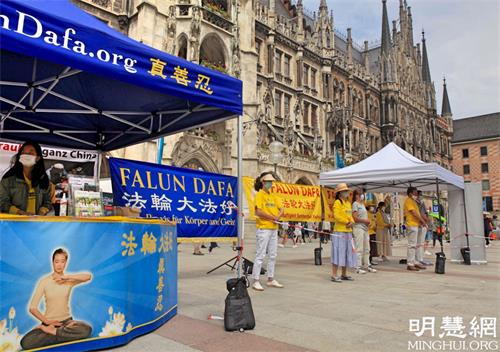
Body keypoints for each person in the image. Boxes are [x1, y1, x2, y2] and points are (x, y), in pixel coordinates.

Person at [20, 248, 92, 350]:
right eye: (56, 261)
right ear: (52, 262)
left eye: (62, 261)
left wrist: (66, 277)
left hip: (67, 323)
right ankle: (63, 336)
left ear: (66, 263)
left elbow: (88, 276)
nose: (59, 264)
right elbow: (32, 308)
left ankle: (54, 334)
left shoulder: (69, 280)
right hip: (49, 324)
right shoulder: (44, 281)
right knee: (26, 342)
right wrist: (47, 322)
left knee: (86, 329)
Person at [252, 172, 284, 291]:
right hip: (264, 228)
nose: (271, 184)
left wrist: (278, 217)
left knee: (273, 255)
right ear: (263, 183)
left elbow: (282, 209)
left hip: (273, 229)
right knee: (260, 254)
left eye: (272, 182)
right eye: (269, 182)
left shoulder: (274, 196)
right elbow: (258, 212)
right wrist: (272, 217)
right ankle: (256, 280)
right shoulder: (259, 195)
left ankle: (270, 278)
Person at [0, 141, 52, 215]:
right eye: (23, 153)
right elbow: (2, 203)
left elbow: (47, 202)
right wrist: (19, 212)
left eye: (30, 153)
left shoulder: (43, 179)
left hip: (36, 223)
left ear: (37, 158)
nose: (26, 155)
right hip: (14, 223)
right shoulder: (8, 180)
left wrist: (43, 210)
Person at [330, 183, 357, 282]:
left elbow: (351, 216)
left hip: (348, 231)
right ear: (340, 193)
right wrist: (347, 222)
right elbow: (336, 216)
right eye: (345, 191)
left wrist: (352, 222)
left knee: (347, 252)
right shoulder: (337, 202)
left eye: (347, 191)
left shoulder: (348, 203)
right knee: (337, 252)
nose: (347, 193)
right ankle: (334, 274)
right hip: (339, 231)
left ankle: (344, 274)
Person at [352, 189, 376, 274]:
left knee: (367, 248)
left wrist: (367, 222)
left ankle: (367, 265)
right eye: (360, 194)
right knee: (359, 248)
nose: (362, 195)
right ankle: (357, 267)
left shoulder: (362, 204)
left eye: (362, 194)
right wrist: (364, 221)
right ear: (356, 195)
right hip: (358, 228)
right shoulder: (355, 204)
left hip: (365, 229)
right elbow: (355, 218)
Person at [404, 187, 427, 271]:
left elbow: (418, 213)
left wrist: (421, 222)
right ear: (410, 193)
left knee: (417, 245)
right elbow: (414, 213)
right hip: (411, 225)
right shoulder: (408, 200)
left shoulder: (413, 201)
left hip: (416, 225)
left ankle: (416, 262)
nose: (416, 195)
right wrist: (423, 221)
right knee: (412, 245)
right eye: (415, 193)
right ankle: (410, 263)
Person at [416, 191, 432, 265]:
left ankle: (420, 258)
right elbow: (421, 214)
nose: (421, 196)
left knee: (421, 243)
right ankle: (418, 259)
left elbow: (424, 213)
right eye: (420, 195)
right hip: (420, 225)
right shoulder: (417, 203)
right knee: (419, 243)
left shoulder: (421, 203)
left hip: (422, 224)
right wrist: (426, 220)